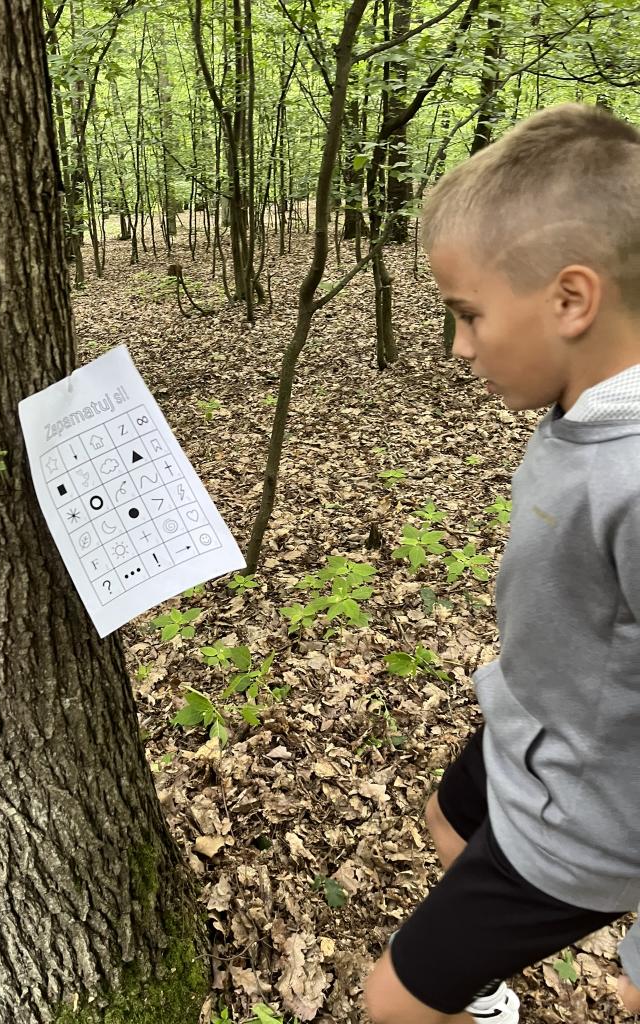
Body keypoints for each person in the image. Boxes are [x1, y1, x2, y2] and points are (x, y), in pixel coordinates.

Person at [363, 102, 640, 1024]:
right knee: (447, 823)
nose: (459, 346)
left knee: (392, 1003)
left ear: (571, 300)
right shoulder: (581, 411)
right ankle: (485, 993)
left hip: (585, 818)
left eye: (470, 315)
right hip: (529, 733)